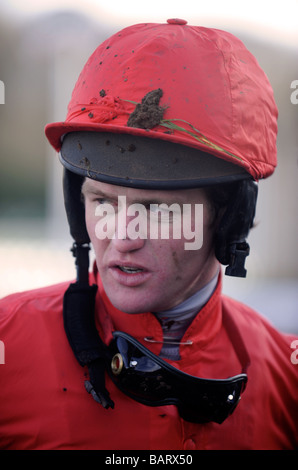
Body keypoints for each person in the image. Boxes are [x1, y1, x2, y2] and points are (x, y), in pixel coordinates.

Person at [0, 19, 297, 451]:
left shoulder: (285, 382)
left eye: (156, 209)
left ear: (230, 218)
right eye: (101, 201)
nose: (122, 237)